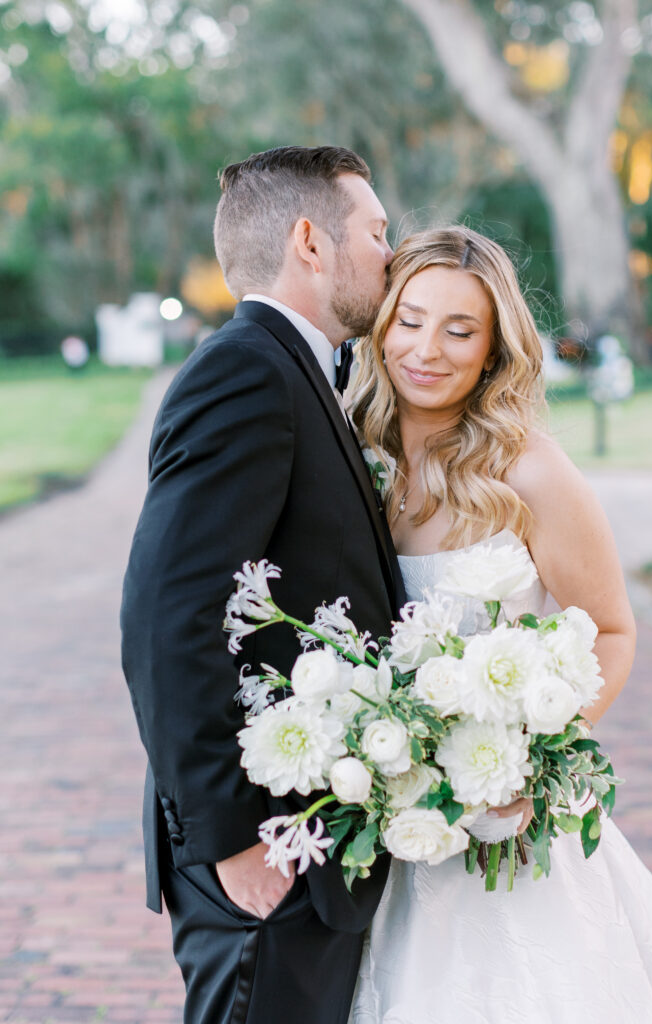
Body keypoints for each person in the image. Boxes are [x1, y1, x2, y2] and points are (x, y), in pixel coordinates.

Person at [347, 226, 652, 1023]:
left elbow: (610, 629)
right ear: (381, 323)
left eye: (460, 330)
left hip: (509, 830)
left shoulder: (529, 469)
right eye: (411, 319)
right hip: (383, 831)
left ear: (495, 350)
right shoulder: (350, 450)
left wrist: (521, 761)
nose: (427, 348)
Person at [120, 146, 406, 1024]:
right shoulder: (244, 372)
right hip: (267, 853)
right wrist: (235, 837)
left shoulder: (308, 372)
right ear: (311, 242)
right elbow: (167, 620)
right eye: (377, 231)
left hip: (311, 845)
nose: (391, 252)